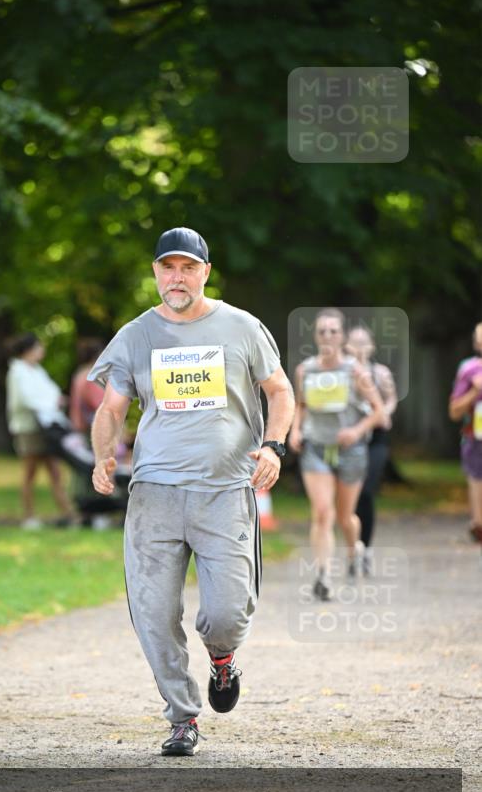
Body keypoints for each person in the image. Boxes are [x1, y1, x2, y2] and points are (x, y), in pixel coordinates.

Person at [87, 226, 294, 757]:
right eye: (167, 267)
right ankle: (183, 717)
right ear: (155, 272)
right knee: (154, 615)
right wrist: (104, 454)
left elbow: (280, 391)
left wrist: (273, 447)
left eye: (187, 268)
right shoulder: (136, 335)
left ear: (206, 272)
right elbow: (111, 408)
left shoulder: (241, 327)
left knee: (228, 612)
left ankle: (222, 658)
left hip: (224, 491)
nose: (176, 278)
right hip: (154, 493)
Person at [288, 308, 385, 600]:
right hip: (316, 448)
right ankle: (323, 576)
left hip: (350, 451)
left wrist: (356, 431)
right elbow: (300, 405)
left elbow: (379, 411)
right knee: (322, 512)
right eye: (322, 331)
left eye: (333, 331)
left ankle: (355, 550)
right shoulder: (305, 370)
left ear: (342, 337)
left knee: (345, 517)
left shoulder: (355, 371)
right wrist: (295, 430)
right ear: (315, 336)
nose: (327, 336)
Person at [5, 333, 80, 529]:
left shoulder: (37, 371)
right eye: (38, 347)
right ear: (29, 350)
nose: (42, 351)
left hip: (47, 428)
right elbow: (25, 399)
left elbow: (50, 392)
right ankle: (29, 516)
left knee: (55, 471)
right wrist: (51, 403)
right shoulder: (18, 372)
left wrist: (57, 400)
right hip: (29, 429)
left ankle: (69, 514)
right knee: (30, 473)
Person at [345, 326, 398, 574]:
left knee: (365, 491)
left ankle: (365, 547)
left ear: (372, 346)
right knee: (350, 496)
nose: (359, 347)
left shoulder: (380, 372)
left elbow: (391, 399)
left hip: (375, 439)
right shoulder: (342, 372)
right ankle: (352, 547)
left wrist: (383, 412)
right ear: (346, 346)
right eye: (354, 342)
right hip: (350, 437)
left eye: (364, 342)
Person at [69, 339, 131, 528]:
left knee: (89, 476)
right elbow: (106, 409)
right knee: (111, 471)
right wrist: (122, 433)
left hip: (81, 432)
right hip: (96, 433)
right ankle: (110, 511)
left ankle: (92, 512)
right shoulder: (92, 377)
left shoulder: (78, 375)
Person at [449, 322, 482, 547]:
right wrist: (475, 391)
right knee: (476, 478)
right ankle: (478, 525)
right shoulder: (469, 369)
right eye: (478, 339)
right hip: (475, 436)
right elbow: (454, 411)